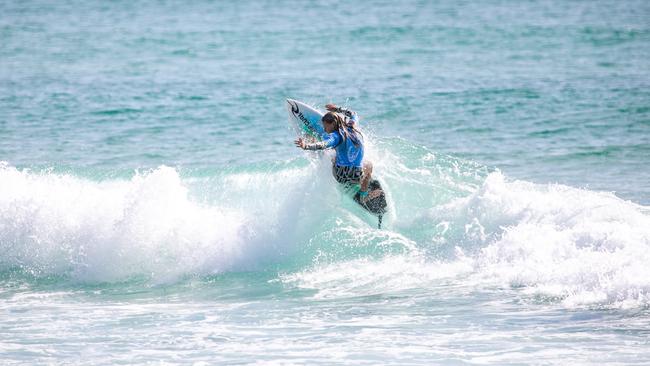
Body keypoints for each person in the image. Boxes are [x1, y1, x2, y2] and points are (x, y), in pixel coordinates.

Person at [294, 103, 374, 201]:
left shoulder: (335, 136)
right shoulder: (352, 126)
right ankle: (363, 193)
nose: (324, 129)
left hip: (341, 176)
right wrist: (337, 109)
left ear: (332, 124)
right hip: (357, 175)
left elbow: (323, 144)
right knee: (369, 165)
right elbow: (353, 113)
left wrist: (306, 146)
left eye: (325, 126)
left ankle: (345, 185)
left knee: (333, 157)